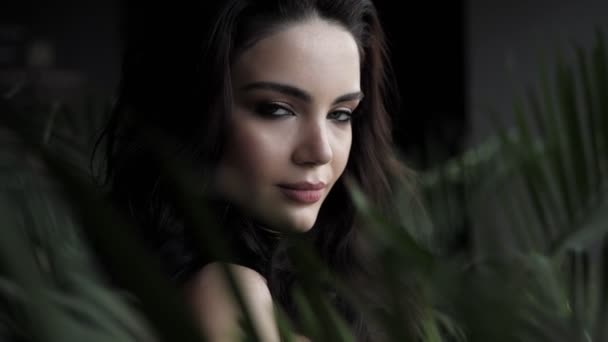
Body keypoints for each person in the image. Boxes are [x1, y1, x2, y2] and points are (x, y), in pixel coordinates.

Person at [95, 0, 417, 340]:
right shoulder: (228, 292)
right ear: (194, 114)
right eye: (276, 109)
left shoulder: (316, 275)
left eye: (340, 113)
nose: (320, 151)